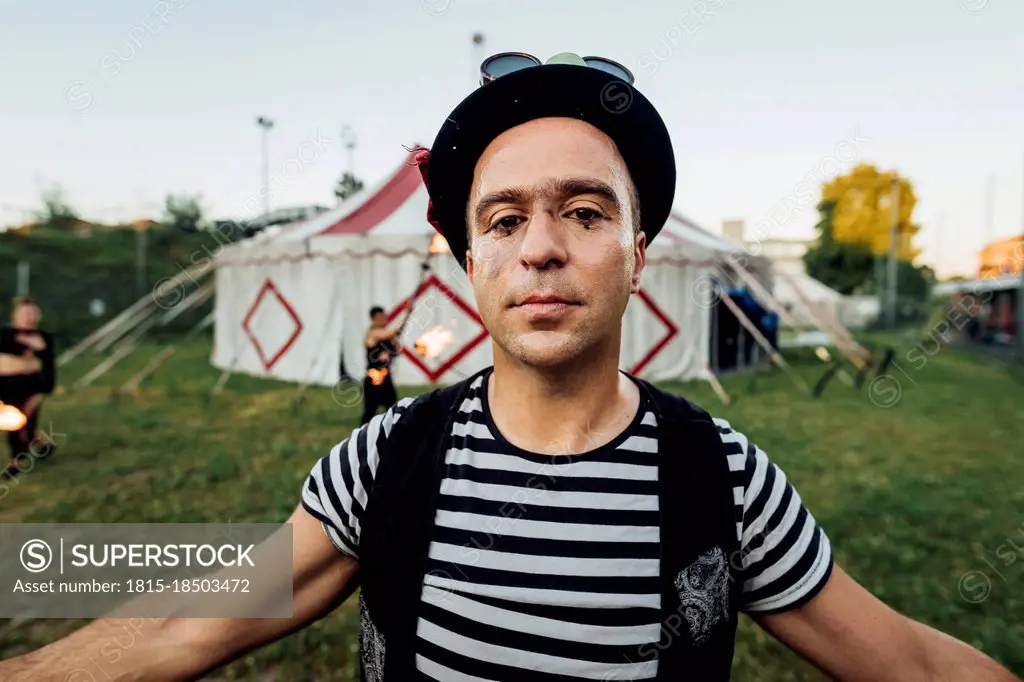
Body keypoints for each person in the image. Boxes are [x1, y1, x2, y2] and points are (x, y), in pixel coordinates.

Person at [0, 52, 1018, 682]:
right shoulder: (384, 462)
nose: (540, 247)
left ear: (638, 255)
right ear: (468, 258)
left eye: (584, 212)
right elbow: (187, 619)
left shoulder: (726, 480)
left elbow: (910, 659)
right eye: (504, 218)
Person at [0, 296, 55, 478]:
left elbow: (48, 364)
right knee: (19, 423)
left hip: (32, 386)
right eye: (24, 313)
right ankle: (43, 444)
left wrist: (38, 350)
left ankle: (16, 462)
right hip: (7, 386)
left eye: (31, 313)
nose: (28, 317)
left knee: (22, 421)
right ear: (15, 315)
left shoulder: (43, 337)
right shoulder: (5, 334)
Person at [361, 305, 400, 425]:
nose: (383, 320)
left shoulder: (387, 336)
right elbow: (387, 334)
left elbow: (395, 350)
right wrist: (405, 318)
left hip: (386, 376)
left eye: (384, 317)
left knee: (392, 408)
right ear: (373, 319)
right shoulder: (373, 334)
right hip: (374, 377)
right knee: (370, 411)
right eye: (380, 317)